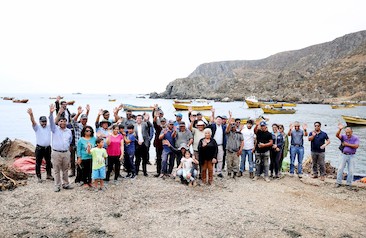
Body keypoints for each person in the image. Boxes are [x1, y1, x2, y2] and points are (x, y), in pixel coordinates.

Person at [49, 104, 73, 192]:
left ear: (66, 122)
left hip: (66, 152)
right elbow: (51, 121)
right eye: (61, 121)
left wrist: (67, 150)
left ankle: (66, 184)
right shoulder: (54, 129)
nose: (62, 122)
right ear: (58, 123)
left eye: (64, 121)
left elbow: (70, 141)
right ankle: (57, 185)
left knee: (66, 169)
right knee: (56, 170)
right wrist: (52, 113)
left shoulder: (69, 131)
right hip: (56, 152)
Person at [27, 108, 53, 183]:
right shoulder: (37, 127)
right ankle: (39, 177)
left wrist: (51, 113)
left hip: (47, 148)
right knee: (38, 162)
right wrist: (31, 114)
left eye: (45, 121)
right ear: (40, 122)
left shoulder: (49, 127)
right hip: (39, 148)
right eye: (42, 122)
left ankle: (49, 175)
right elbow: (33, 121)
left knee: (48, 162)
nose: (44, 123)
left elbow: (54, 121)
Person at [336, 124, 360, 188]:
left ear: (352, 132)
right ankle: (338, 182)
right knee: (340, 168)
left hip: (352, 155)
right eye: (346, 132)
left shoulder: (355, 138)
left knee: (351, 170)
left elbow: (356, 146)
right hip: (343, 154)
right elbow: (337, 135)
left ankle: (348, 184)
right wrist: (340, 129)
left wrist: (347, 144)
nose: (348, 134)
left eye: (349, 132)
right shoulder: (344, 136)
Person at [225, 112, 244, 179]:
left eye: (235, 126)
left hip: (236, 151)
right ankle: (229, 173)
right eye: (232, 126)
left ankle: (235, 174)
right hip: (229, 150)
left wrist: (241, 149)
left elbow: (242, 142)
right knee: (229, 163)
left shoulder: (239, 133)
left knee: (236, 163)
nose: (234, 127)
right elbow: (227, 129)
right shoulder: (229, 133)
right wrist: (229, 122)